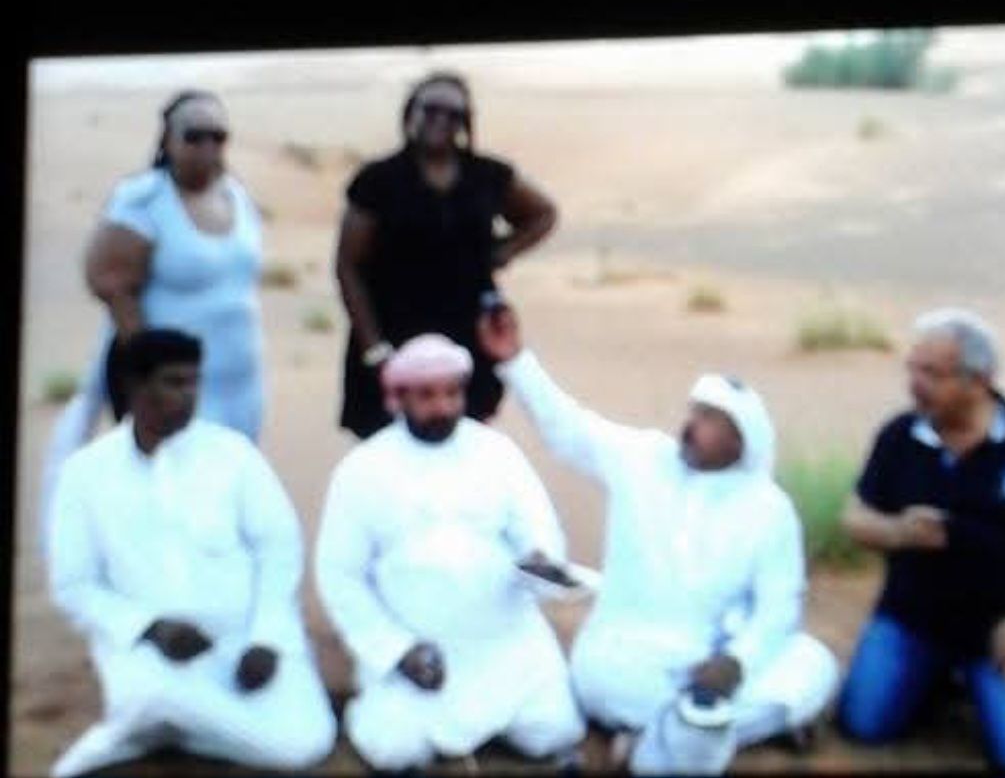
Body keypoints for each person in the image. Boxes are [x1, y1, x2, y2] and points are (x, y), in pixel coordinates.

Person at [477, 304, 838, 774]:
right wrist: (514, 360)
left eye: (710, 420)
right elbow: (568, 428)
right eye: (694, 412)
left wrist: (736, 662)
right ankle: (695, 735)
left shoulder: (769, 509)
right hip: (628, 658)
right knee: (608, 684)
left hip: (714, 663)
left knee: (814, 665)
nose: (691, 425)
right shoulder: (643, 460)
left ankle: (658, 740)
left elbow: (778, 609)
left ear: (740, 441)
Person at [45, 329, 336, 777]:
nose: (188, 395)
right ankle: (167, 720)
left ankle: (149, 732)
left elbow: (279, 551)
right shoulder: (85, 475)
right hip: (150, 654)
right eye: (173, 383)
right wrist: (151, 628)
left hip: (245, 640)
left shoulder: (233, 456)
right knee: (150, 694)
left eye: (194, 382)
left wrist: (266, 637)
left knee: (305, 744)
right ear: (135, 387)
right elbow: (74, 585)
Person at [314, 333, 585, 772]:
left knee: (553, 730)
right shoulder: (363, 469)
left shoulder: (497, 453)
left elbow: (539, 532)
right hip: (418, 651)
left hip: (503, 645)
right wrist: (397, 651)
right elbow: (339, 574)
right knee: (393, 748)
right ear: (398, 397)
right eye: (427, 395)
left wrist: (540, 561)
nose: (442, 407)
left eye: (452, 393)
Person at [836, 308, 1005, 771]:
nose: (914, 383)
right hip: (912, 620)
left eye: (931, 373)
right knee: (863, 725)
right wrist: (898, 532)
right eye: (912, 368)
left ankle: (967, 680)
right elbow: (854, 516)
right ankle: (939, 680)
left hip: (1002, 630)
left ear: (978, 381)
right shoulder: (901, 435)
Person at [334, 71, 557, 439]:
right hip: (392, 329)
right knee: (386, 447)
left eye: (453, 113)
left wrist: (503, 252)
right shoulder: (378, 180)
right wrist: (374, 348)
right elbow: (348, 266)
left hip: (467, 330)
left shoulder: (487, 175)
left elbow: (543, 214)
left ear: (464, 122)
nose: (440, 119)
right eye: (430, 109)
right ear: (411, 113)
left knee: (465, 442)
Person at [85, 88, 266, 440]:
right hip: (175, 389)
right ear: (167, 140)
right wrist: (150, 375)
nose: (207, 146)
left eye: (218, 136)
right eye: (194, 136)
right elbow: (111, 285)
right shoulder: (144, 199)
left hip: (242, 385)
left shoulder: (236, 195)